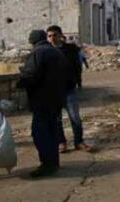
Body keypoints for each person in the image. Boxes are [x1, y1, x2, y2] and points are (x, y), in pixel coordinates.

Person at [18, 29, 70, 178]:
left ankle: (47, 164)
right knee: (52, 131)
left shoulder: (37, 53)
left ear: (32, 41)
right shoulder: (56, 52)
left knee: (40, 133)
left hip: (42, 100)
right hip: (57, 99)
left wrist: (20, 82)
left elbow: (31, 75)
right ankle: (53, 162)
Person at [46, 25, 91, 153]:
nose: (52, 38)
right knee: (56, 119)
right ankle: (61, 142)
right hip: (53, 91)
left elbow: (77, 66)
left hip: (69, 89)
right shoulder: (46, 50)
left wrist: (78, 82)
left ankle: (79, 142)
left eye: (55, 35)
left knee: (75, 117)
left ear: (61, 35)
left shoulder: (71, 49)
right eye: (49, 36)